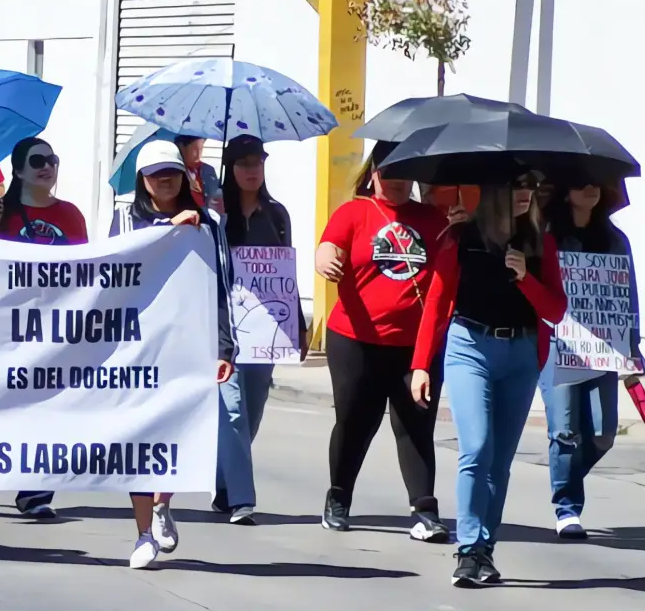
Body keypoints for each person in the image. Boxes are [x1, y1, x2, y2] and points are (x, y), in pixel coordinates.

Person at [409, 175, 565, 587]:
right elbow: (438, 301)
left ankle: (485, 548)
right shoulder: (463, 236)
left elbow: (555, 310)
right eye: (515, 184)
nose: (524, 193)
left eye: (530, 185)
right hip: (469, 346)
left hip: (520, 353)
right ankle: (467, 549)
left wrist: (524, 277)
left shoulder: (538, 241)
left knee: (499, 461)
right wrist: (422, 363)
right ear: (494, 190)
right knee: (476, 448)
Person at [107, 139, 235, 569]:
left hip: (188, 343)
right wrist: (166, 231)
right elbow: (110, 274)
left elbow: (221, 287)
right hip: (137, 344)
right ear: (142, 180)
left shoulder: (210, 224)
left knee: (178, 432)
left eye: (173, 172)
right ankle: (143, 532)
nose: (166, 180)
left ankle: (163, 503)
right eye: (157, 173)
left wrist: (223, 345)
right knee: (139, 438)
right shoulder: (123, 219)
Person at [314, 142, 451, 540]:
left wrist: (458, 224)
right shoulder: (354, 211)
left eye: (405, 174)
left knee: (415, 424)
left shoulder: (432, 218)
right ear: (374, 172)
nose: (396, 182)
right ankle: (338, 497)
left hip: (416, 345)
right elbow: (327, 246)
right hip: (356, 339)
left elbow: (451, 266)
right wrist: (324, 259)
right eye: (389, 172)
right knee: (356, 421)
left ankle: (425, 509)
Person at [0, 136, 88, 519]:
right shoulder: (0, 212)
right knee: (8, 401)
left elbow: (85, 268)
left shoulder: (71, 214)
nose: (47, 166)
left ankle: (38, 493)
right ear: (20, 170)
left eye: (52, 160)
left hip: (56, 326)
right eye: (38, 160)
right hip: (7, 326)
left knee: (54, 404)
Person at [539, 181, 640, 540]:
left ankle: (564, 475)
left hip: (603, 345)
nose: (591, 190)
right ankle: (567, 508)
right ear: (565, 192)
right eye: (581, 184)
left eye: (597, 185)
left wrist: (632, 345)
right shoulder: (546, 234)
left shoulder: (615, 239)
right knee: (565, 430)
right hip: (558, 343)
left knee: (602, 433)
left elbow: (627, 292)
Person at [213, 135, 291, 525]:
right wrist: (214, 219)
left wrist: (298, 326)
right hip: (224, 328)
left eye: (256, 162)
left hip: (265, 331)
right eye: (242, 162)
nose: (251, 170)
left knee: (253, 411)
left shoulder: (277, 215)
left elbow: (285, 275)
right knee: (230, 411)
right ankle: (243, 499)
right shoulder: (215, 216)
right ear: (230, 167)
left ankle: (223, 483)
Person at [174, 134, 224, 213]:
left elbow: (214, 194)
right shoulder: (176, 172)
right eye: (194, 150)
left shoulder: (208, 170)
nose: (198, 155)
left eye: (200, 150)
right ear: (182, 148)